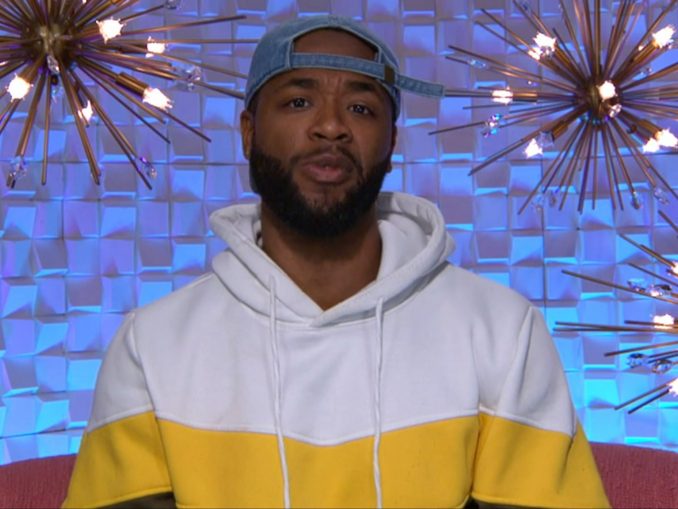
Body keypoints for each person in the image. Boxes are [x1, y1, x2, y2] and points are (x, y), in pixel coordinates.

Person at [63, 15, 610, 509]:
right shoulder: (152, 345)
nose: (331, 126)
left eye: (361, 108)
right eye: (299, 102)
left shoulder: (502, 331)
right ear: (248, 131)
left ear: (391, 142)